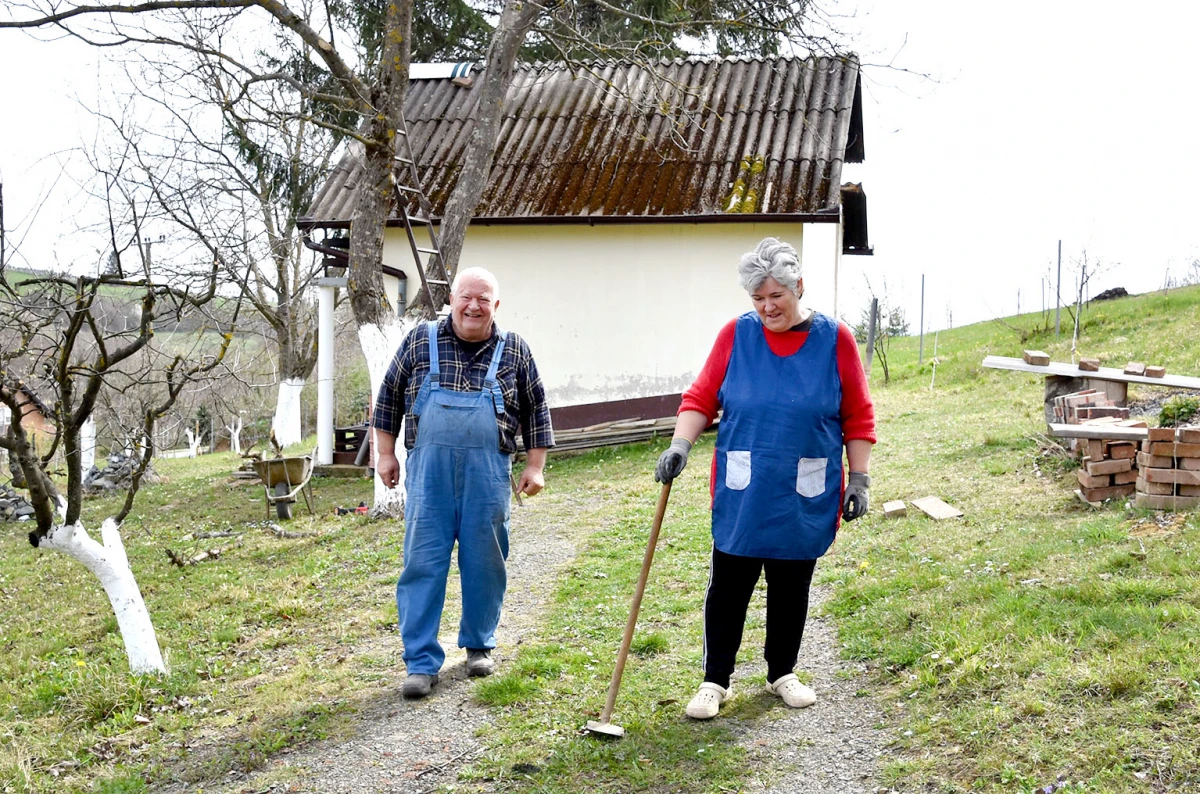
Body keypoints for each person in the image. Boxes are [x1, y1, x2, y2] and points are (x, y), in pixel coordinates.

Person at [654, 237, 876, 720]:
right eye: (758, 298)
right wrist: (680, 445)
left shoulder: (836, 339)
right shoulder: (737, 334)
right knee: (729, 586)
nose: (767, 306)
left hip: (805, 486)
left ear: (800, 286)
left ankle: (782, 673)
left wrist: (859, 479)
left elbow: (858, 415)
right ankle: (715, 680)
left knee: (791, 585)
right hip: (745, 487)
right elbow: (700, 399)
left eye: (776, 295)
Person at [373, 267, 554, 699]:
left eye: (484, 298)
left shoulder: (515, 351)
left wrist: (535, 466)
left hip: (488, 477)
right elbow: (387, 399)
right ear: (451, 299)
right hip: (429, 479)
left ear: (496, 305)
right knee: (422, 564)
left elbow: (537, 409)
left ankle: (478, 646)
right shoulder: (420, 341)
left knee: (486, 563)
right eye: (465, 297)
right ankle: (420, 662)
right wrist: (384, 454)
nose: (473, 306)